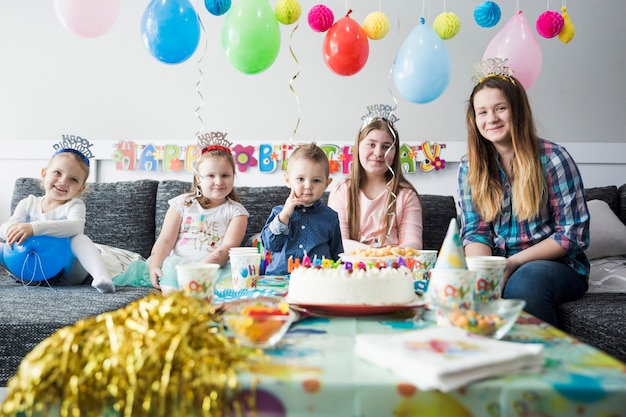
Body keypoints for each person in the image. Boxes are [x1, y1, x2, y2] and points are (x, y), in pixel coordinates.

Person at [458, 59, 590, 326]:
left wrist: (513, 263)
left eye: (500, 108)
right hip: (498, 263)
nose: (491, 118)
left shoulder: (553, 159)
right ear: (474, 119)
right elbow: (475, 231)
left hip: (556, 266)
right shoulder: (469, 167)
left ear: (517, 111)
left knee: (524, 284)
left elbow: (572, 235)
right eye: (482, 112)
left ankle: (540, 363)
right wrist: (485, 275)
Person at [115, 140, 249, 290]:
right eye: (210, 175)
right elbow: (165, 240)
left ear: (233, 176)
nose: (219, 181)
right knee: (170, 271)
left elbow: (229, 246)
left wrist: (202, 268)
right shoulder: (182, 204)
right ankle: (174, 301)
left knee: (231, 282)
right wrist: (154, 266)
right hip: (177, 266)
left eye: (225, 175)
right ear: (198, 178)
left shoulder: (237, 212)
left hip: (215, 266)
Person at [0, 145, 115, 293]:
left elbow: (75, 226)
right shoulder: (28, 203)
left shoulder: (74, 205)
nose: (63, 181)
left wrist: (34, 228)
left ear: (81, 188)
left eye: (73, 179)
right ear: (44, 173)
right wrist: (11, 229)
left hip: (66, 274)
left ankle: (102, 278)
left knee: (79, 238)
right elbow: (6, 227)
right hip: (26, 271)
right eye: (57, 173)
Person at [327, 114, 423, 254]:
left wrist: (387, 255)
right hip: (352, 270)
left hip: (395, 268)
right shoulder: (342, 191)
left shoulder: (406, 194)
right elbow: (338, 242)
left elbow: (414, 243)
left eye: (386, 147)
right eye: (371, 144)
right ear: (358, 147)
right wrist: (374, 253)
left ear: (395, 153)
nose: (378, 153)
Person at [261, 142, 343, 276]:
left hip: (318, 280)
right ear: (288, 180)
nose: (308, 186)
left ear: (326, 184)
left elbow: (337, 255)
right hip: (280, 279)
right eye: (300, 179)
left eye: (316, 181)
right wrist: (284, 216)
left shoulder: (330, 217)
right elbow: (270, 245)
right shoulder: (279, 213)